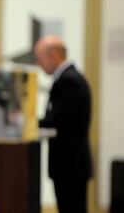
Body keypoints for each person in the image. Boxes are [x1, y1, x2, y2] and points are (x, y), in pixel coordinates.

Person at [35, 36, 92, 213]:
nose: (38, 64)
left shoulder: (69, 81)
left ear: (52, 55)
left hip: (70, 165)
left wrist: (29, 122)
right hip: (69, 165)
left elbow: (57, 120)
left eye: (39, 58)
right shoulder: (68, 78)